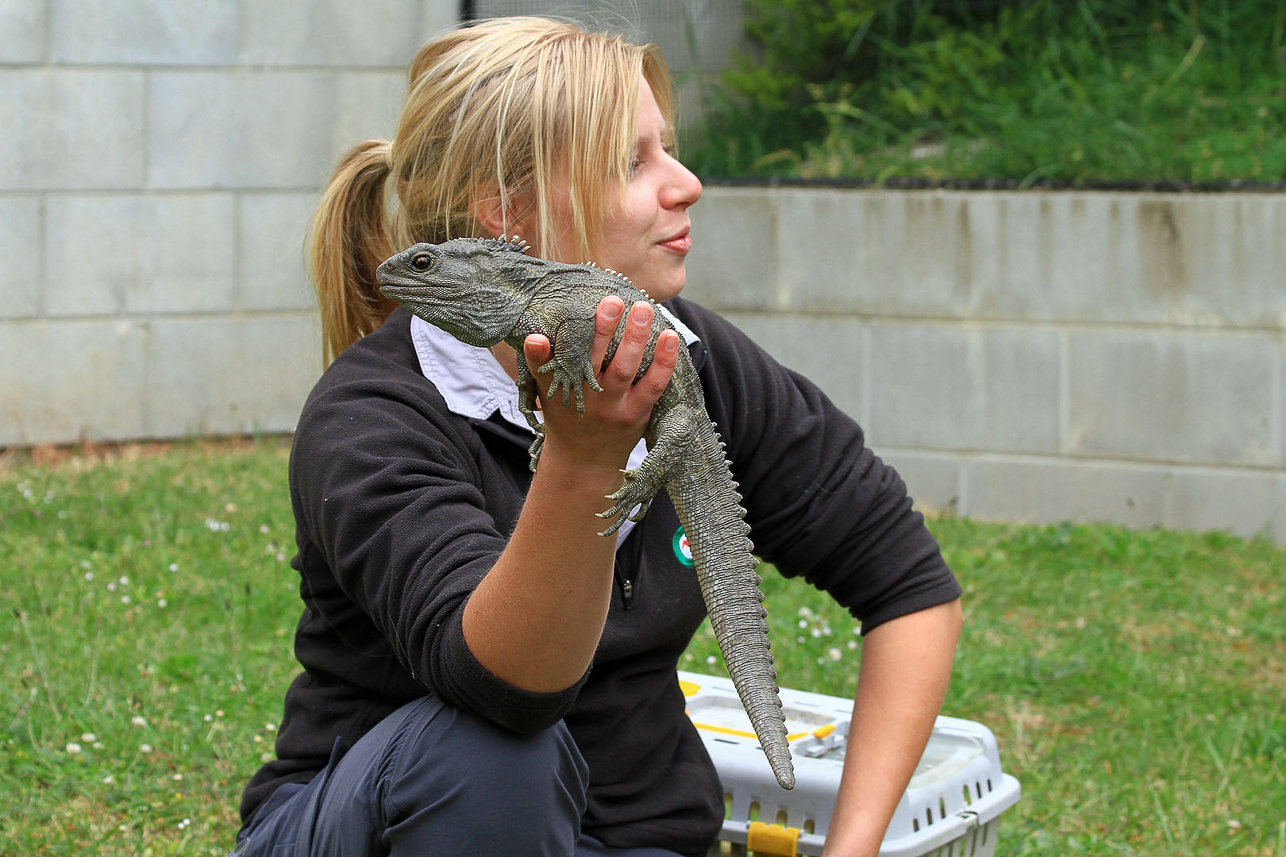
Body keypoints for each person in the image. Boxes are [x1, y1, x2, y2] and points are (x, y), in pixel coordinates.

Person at [232, 16, 962, 857]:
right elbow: (507, 691)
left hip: (630, 838)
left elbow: (909, 584)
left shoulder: (693, 358)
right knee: (494, 750)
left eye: (669, 148)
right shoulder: (372, 417)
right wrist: (585, 458)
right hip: (381, 827)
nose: (685, 183)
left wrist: (852, 849)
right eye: (632, 162)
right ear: (506, 212)